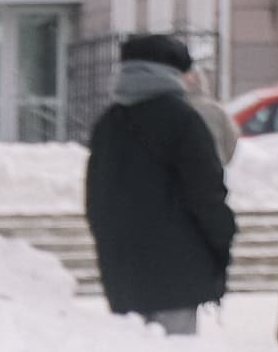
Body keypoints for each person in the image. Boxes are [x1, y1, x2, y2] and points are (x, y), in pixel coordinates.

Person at [87, 33, 238, 332]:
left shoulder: (108, 124)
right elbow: (206, 196)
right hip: (178, 276)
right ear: (172, 74)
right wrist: (222, 241)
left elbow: (96, 203)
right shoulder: (183, 121)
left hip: (123, 276)